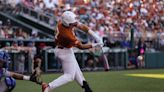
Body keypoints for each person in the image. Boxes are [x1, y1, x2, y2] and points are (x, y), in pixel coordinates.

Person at [42, 11, 103, 92]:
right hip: (64, 52)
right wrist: (95, 45)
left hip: (64, 49)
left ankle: (86, 89)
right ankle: (48, 87)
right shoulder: (67, 35)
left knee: (77, 71)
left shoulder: (63, 23)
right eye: (72, 23)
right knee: (69, 76)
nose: (75, 23)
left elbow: (82, 26)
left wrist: (96, 36)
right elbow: (81, 46)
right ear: (67, 23)